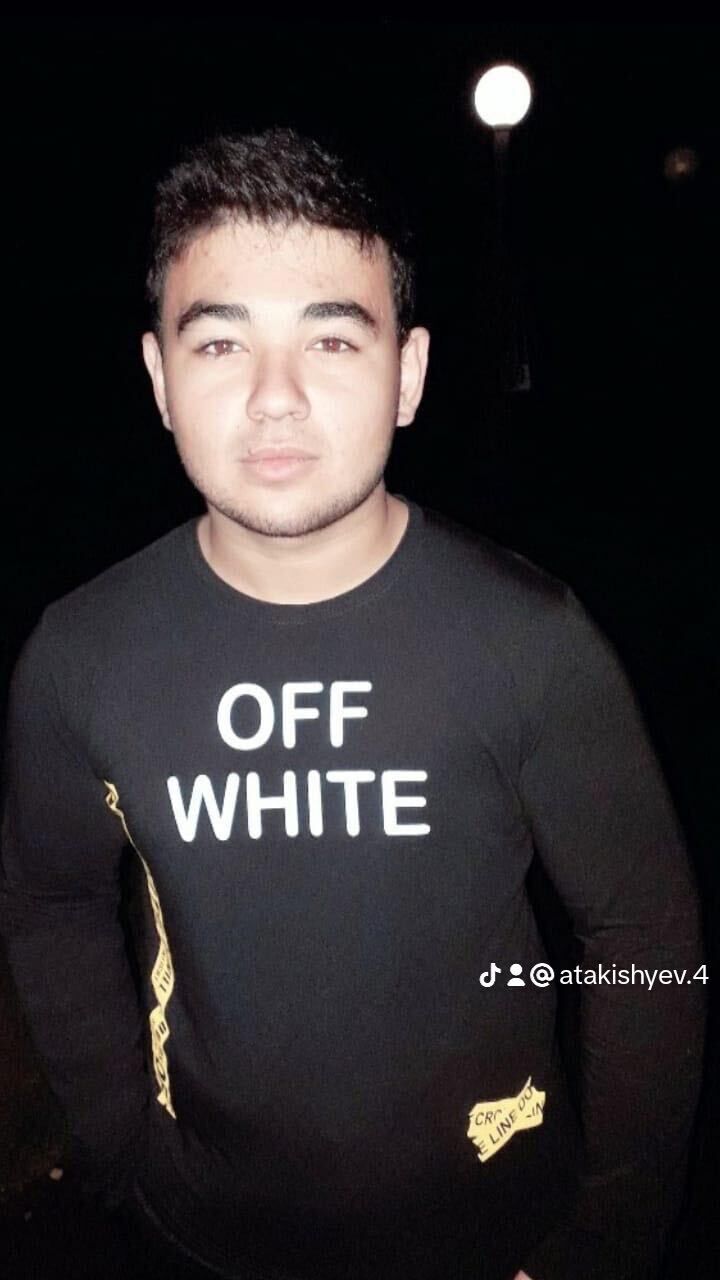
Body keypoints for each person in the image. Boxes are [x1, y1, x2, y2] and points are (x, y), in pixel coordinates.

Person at [0, 127, 706, 1280]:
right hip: (204, 1239)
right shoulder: (82, 655)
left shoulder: (531, 639)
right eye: (220, 341)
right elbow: (51, 899)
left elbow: (645, 941)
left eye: (331, 337)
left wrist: (609, 1233)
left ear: (408, 373)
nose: (275, 397)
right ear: (160, 378)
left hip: (501, 1232)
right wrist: (120, 1144)